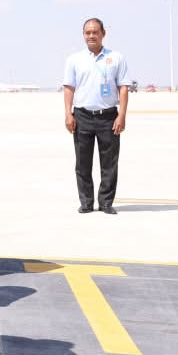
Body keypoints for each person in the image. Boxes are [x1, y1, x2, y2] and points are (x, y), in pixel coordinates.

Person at [63, 18, 130, 214]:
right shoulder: (74, 60)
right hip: (82, 116)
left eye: (95, 32)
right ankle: (86, 202)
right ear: (83, 35)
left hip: (108, 117)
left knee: (109, 163)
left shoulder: (116, 58)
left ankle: (106, 203)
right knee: (82, 163)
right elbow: (69, 88)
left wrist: (122, 115)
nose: (91, 36)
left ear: (103, 34)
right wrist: (68, 114)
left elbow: (123, 87)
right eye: (87, 32)